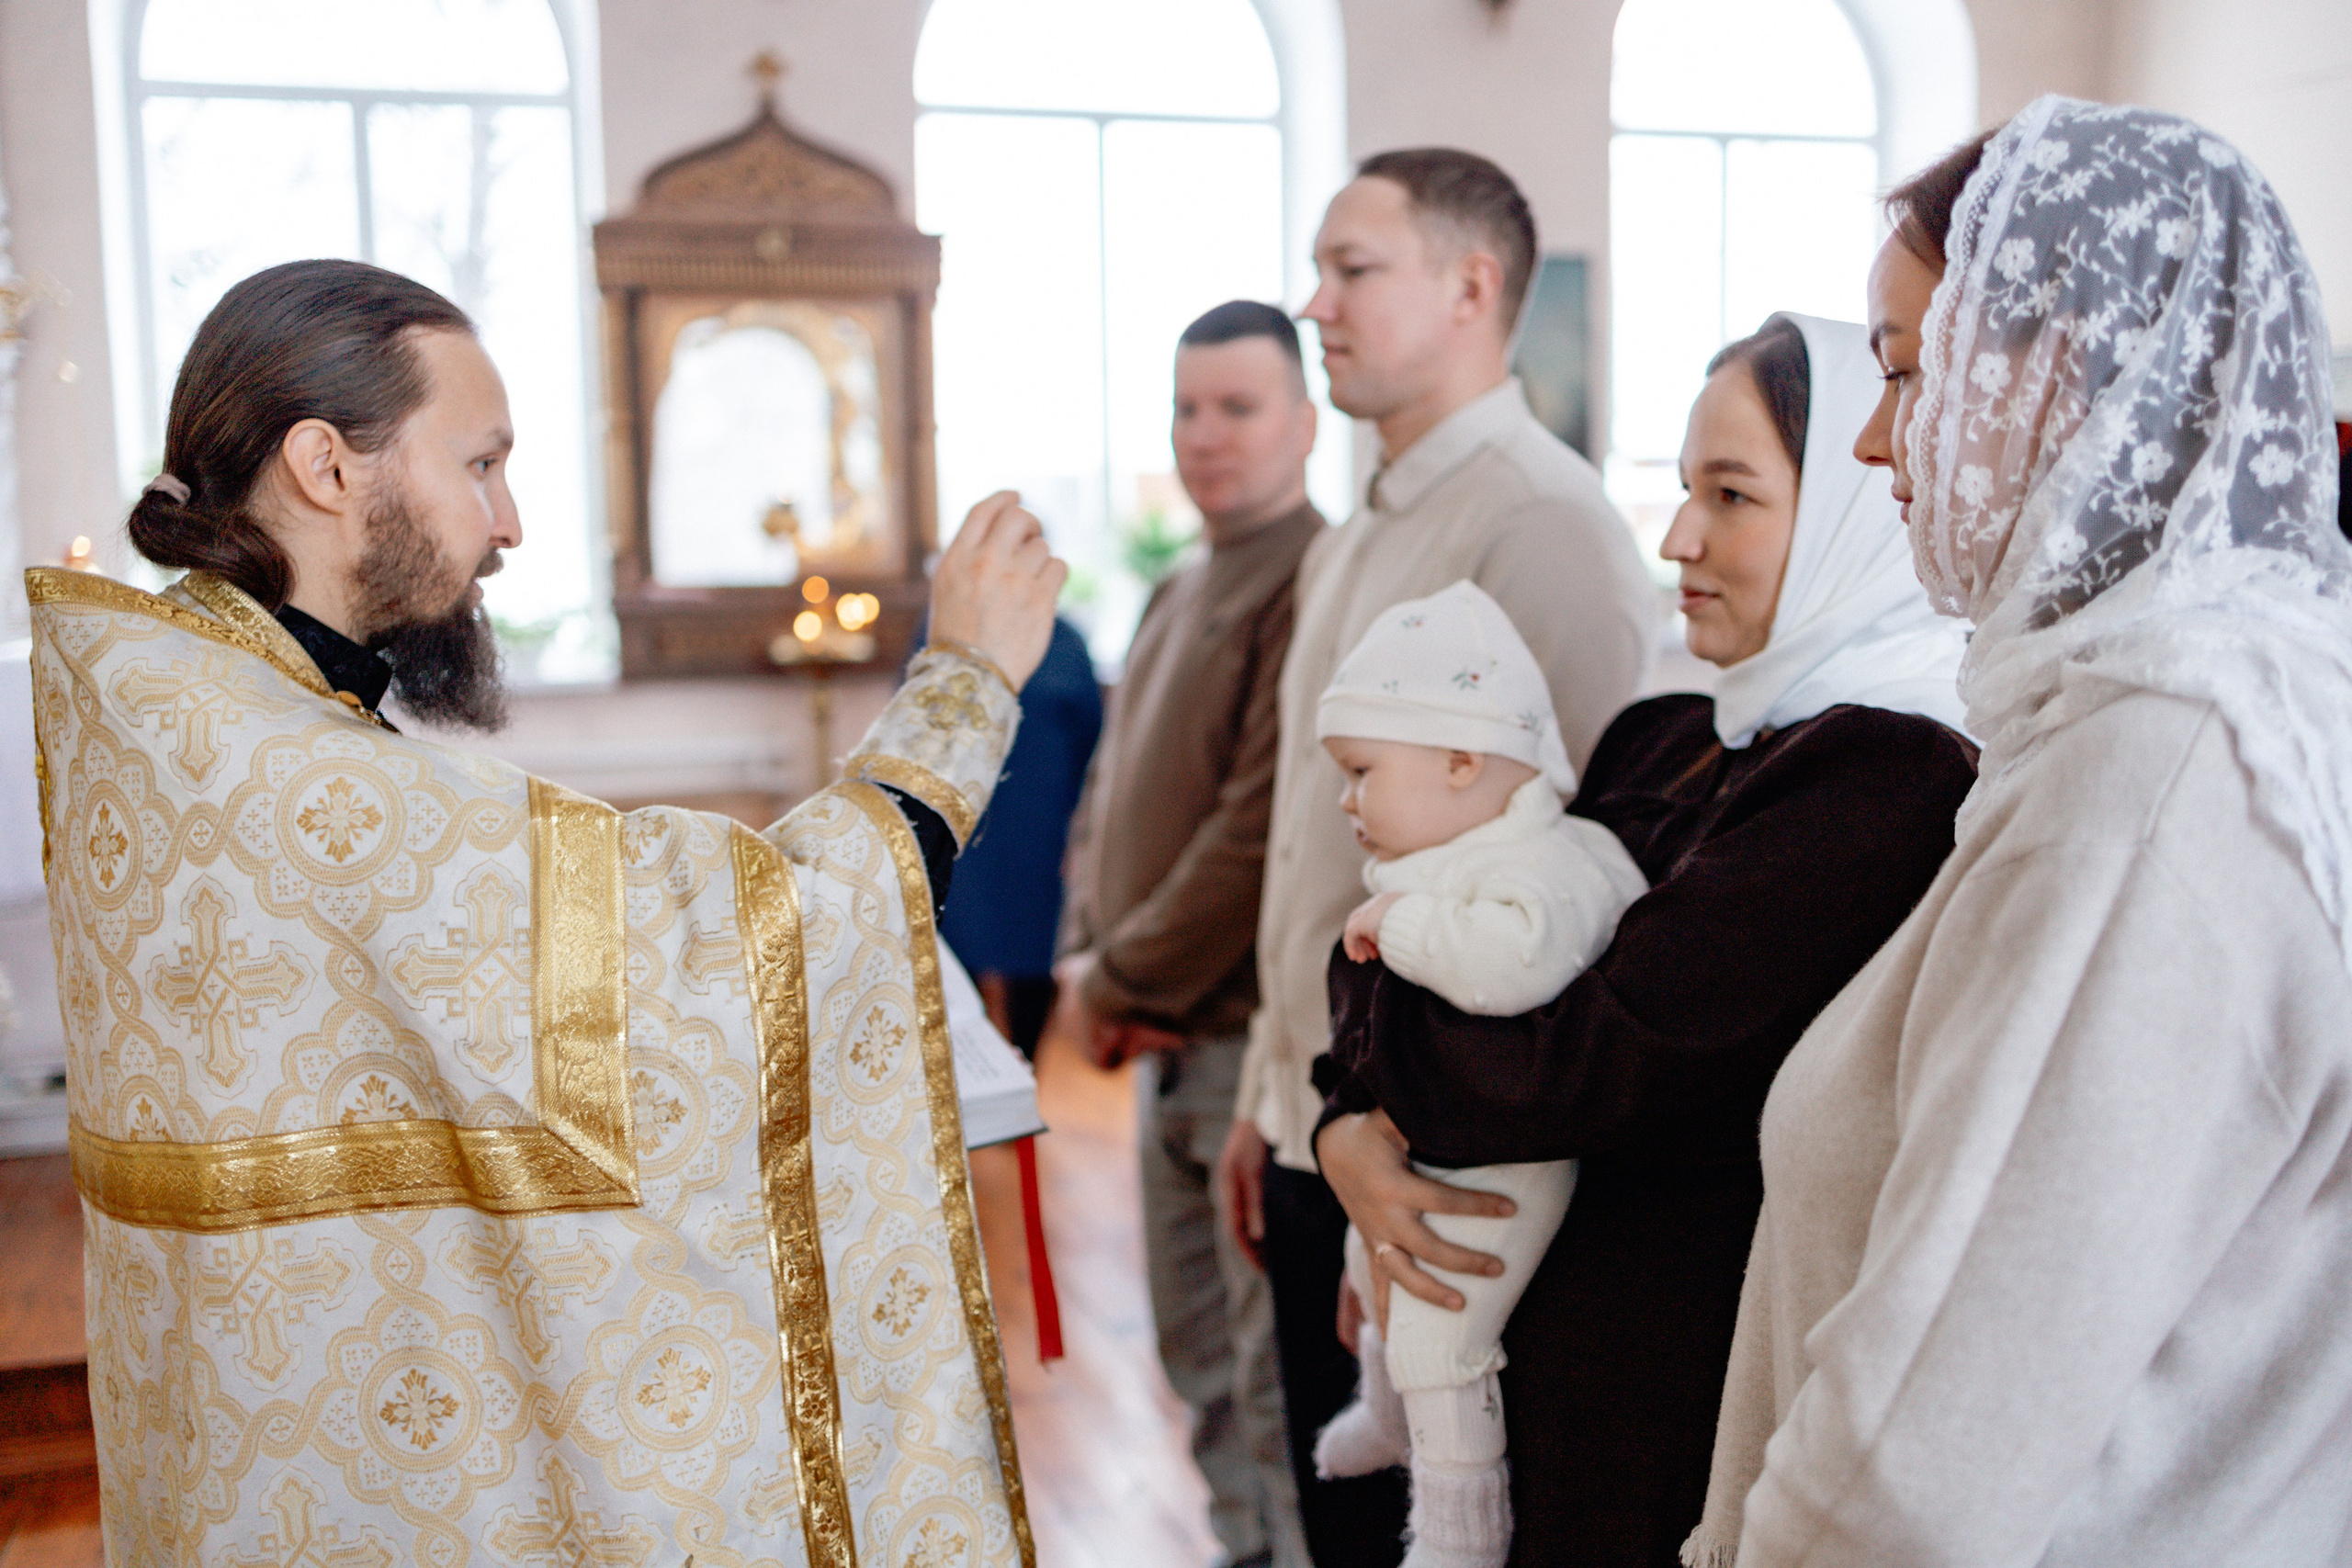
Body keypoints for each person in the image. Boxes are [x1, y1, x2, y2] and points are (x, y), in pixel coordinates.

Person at [27, 258, 1065, 1561]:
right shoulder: (284, 769)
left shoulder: (180, 711)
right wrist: (965, 684)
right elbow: (738, 959)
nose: (506, 523)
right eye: (480, 464)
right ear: (325, 466)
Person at [1690, 99, 2352, 1567]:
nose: (1873, 439)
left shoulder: (2156, 775)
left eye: (1906, 370)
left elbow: (1921, 1469)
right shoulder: (2212, 704)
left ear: (2056, 375)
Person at [1314, 311, 1977, 1566]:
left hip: (1676, 1389)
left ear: (1865, 505)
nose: (1679, 538)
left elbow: (1573, 1066)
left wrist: (1373, 1028)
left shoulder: (1884, 772)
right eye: (1684, 490)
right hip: (1550, 1363)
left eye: (1733, 495)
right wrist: (1343, 1126)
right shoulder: (1669, 731)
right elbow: (1427, 907)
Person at [1217, 146, 1659, 1563]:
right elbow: (1309, 846)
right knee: (1329, 1501)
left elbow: (1571, 873)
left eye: (1354, 269)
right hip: (1322, 1114)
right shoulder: (1363, 532)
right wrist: (1267, 1089)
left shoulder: (1543, 521)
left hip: (1426, 1153)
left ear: (1471, 287)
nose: (1316, 302)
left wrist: (1373, 1124)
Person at [1054, 299, 1324, 1568]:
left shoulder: (1312, 574)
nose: (1207, 435)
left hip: (1240, 1045)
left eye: (1239, 407)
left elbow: (1255, 827)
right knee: (1193, 1355)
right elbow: (1112, 791)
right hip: (1161, 1036)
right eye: (1187, 408)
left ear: (1305, 420)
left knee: (1265, 1375)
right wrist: (1083, 952)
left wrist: (1113, 971)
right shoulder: (1178, 581)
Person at [1307, 581, 1648, 1568]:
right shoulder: (1459, 848)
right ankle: (1383, 1416)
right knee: (1369, 1270)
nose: (1345, 798)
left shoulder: (1544, 859)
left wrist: (1400, 928)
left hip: (1507, 1166)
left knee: (1441, 1332)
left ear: (1462, 759)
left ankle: (1459, 1531)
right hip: (1438, 1137)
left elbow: (1513, 968)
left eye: (1362, 769)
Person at [940, 613, 1101, 1055]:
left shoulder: (1066, 639)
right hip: (965, 822)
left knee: (1033, 950)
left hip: (1040, 820)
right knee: (959, 951)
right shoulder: (947, 627)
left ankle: (1027, 1069)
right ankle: (969, 1072)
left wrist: (1081, 827)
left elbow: (1091, 734)